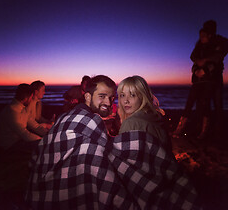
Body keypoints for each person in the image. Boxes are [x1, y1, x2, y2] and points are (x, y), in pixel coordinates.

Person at [26, 75, 201, 209]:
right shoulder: (84, 118)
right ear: (87, 97)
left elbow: (104, 145)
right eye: (102, 96)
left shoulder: (86, 117)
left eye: (111, 98)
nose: (108, 102)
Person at [173, 28, 219, 139]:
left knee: (205, 104)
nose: (201, 38)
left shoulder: (213, 48)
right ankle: (180, 129)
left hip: (208, 81)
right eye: (200, 35)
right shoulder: (198, 49)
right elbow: (194, 60)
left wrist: (205, 70)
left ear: (209, 35)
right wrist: (195, 70)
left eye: (204, 35)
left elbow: (215, 62)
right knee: (189, 103)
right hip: (197, 81)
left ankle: (204, 131)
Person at [117, 75, 171, 150]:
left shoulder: (131, 123)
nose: (126, 100)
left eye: (132, 95)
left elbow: (122, 156)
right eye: (122, 95)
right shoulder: (155, 115)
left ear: (143, 96)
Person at [0, 84, 41, 152]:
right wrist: (42, 140)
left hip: (21, 140)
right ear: (26, 97)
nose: (31, 100)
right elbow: (24, 133)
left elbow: (35, 126)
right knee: (42, 146)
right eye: (31, 97)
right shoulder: (11, 111)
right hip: (11, 145)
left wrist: (48, 134)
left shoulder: (23, 109)